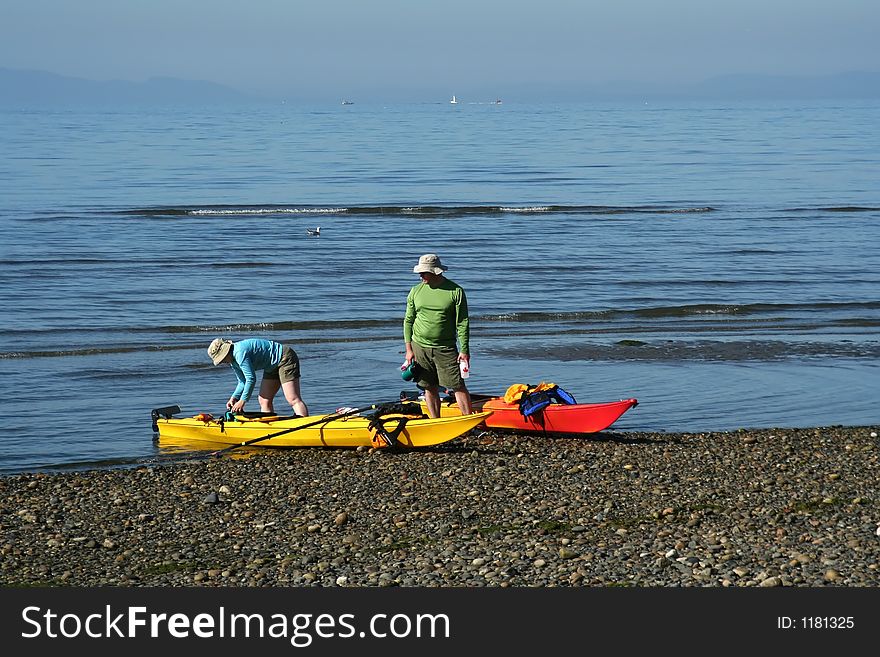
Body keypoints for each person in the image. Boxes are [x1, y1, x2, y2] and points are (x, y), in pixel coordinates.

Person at [402, 253, 473, 418]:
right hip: (420, 346)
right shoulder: (415, 291)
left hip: (445, 348)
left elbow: (462, 322)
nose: (420, 275)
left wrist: (464, 350)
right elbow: (408, 321)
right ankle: (435, 421)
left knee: (457, 385)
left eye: (424, 272)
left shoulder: (455, 291)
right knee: (429, 386)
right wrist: (408, 349)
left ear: (435, 272)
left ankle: (468, 421)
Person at [207, 337, 309, 416]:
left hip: (284, 358)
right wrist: (234, 397)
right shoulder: (233, 361)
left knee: (293, 399)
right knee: (264, 400)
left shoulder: (239, 353)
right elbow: (242, 381)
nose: (223, 362)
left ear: (226, 352)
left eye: (222, 359)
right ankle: (269, 430)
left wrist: (242, 401)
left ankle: (305, 427)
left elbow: (251, 379)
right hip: (271, 366)